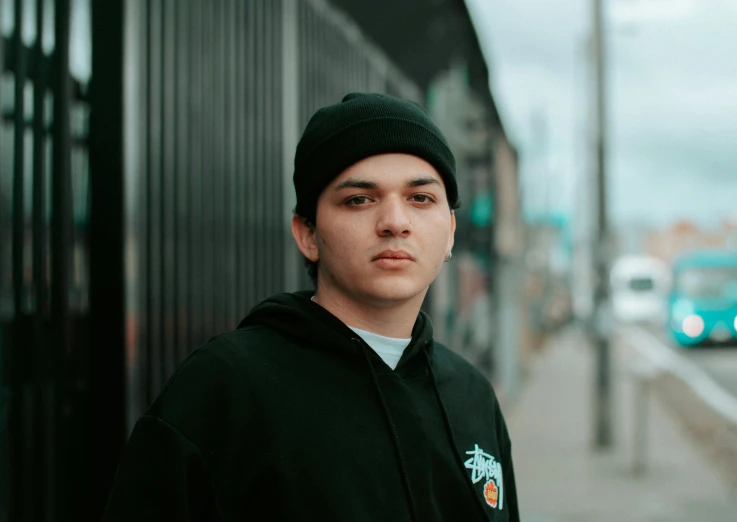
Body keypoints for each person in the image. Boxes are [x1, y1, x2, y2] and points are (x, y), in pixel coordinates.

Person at [103, 92, 519, 521]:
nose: (396, 221)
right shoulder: (224, 389)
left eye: (421, 198)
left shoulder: (471, 396)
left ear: (449, 232)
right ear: (307, 233)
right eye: (359, 199)